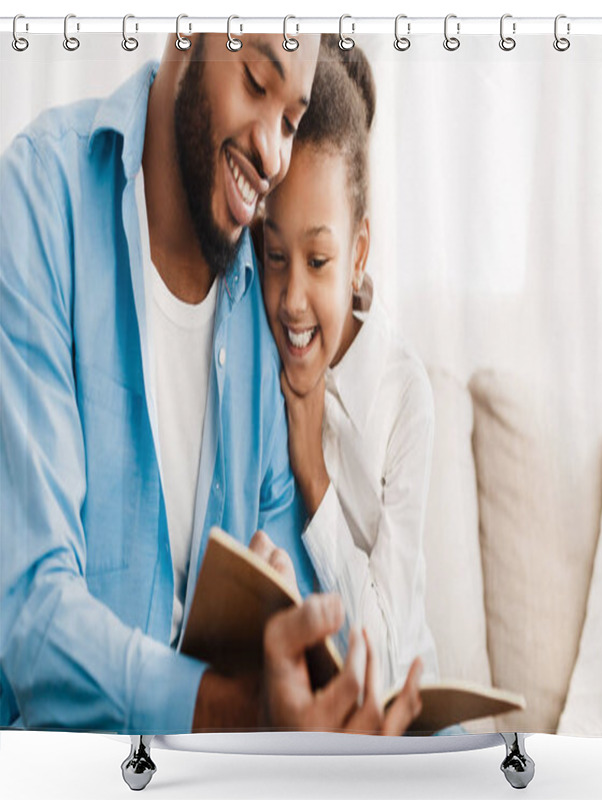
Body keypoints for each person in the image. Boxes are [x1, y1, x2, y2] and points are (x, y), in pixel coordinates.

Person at [0, 31, 421, 736]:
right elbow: (30, 614)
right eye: (257, 81)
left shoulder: (259, 305)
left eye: (290, 120)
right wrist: (234, 710)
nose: (273, 152)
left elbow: (310, 631)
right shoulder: (45, 198)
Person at [255, 37, 440, 702]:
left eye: (319, 261)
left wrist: (313, 471)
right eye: (275, 256)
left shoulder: (404, 396)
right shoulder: (253, 344)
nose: (292, 299)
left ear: (358, 250)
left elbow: (385, 661)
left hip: (404, 712)